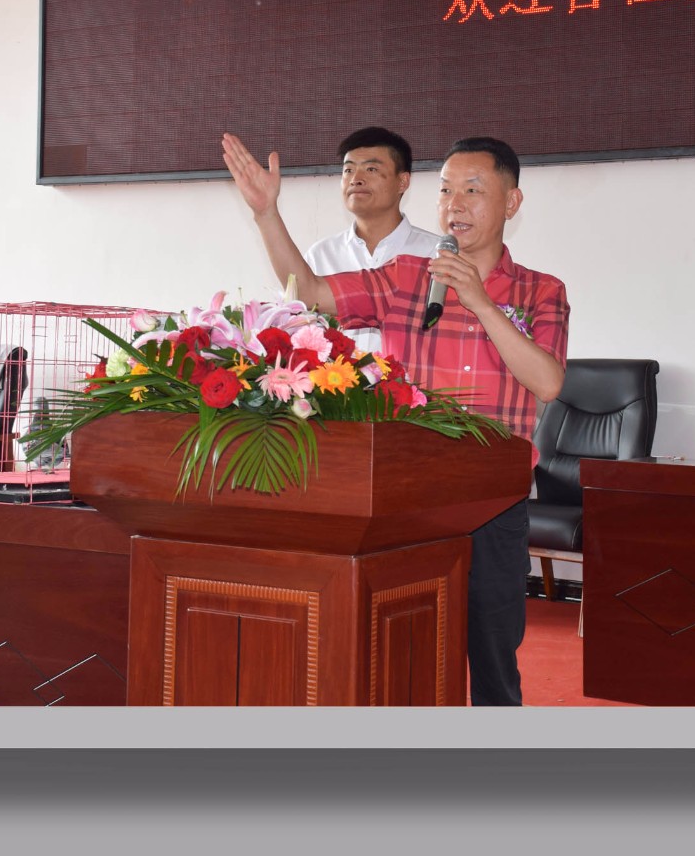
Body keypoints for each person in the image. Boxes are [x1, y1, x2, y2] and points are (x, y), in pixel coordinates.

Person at [221, 131, 569, 706]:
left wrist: (481, 302)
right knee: (407, 648)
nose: (455, 205)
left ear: (511, 202)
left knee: (493, 655)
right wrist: (266, 214)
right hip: (414, 498)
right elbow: (310, 292)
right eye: (447, 191)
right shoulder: (407, 276)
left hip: (494, 502)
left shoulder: (541, 291)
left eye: (473, 190)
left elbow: (548, 381)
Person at [302, 126, 444, 356]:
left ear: (403, 182)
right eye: (348, 170)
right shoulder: (320, 256)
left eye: (371, 169)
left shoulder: (435, 255)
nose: (356, 179)